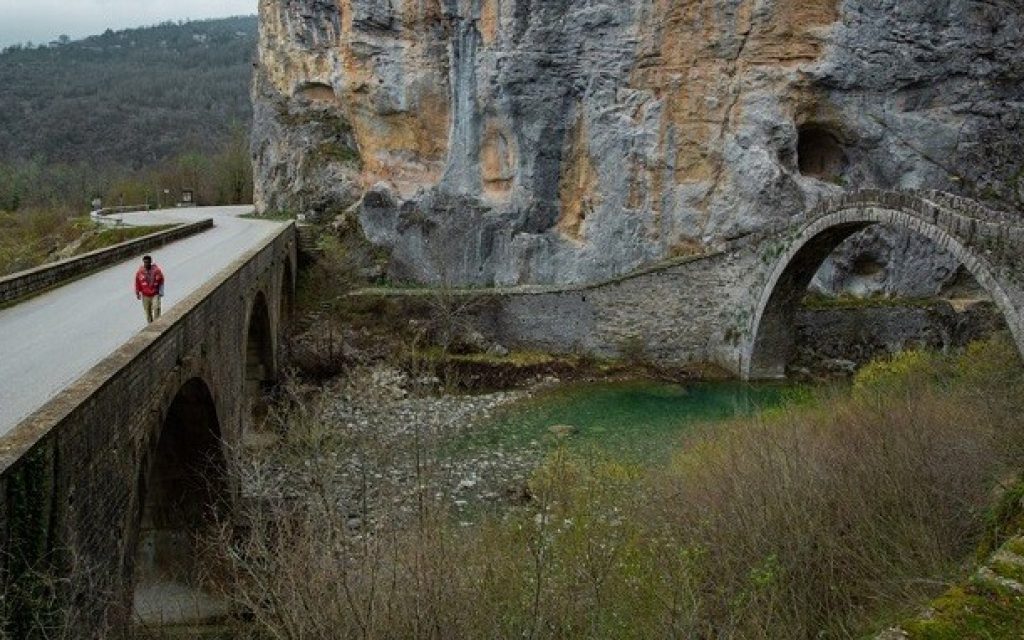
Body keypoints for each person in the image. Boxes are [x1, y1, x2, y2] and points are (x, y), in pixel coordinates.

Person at [135, 255, 165, 323]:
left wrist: (161, 291)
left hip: (155, 294)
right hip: (145, 295)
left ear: (150, 262)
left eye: (148, 262)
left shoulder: (156, 271)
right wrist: (137, 292)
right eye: (145, 263)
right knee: (148, 312)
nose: (146, 264)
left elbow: (161, 280)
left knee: (156, 308)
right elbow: (137, 282)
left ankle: (156, 323)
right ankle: (150, 325)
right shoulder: (140, 272)